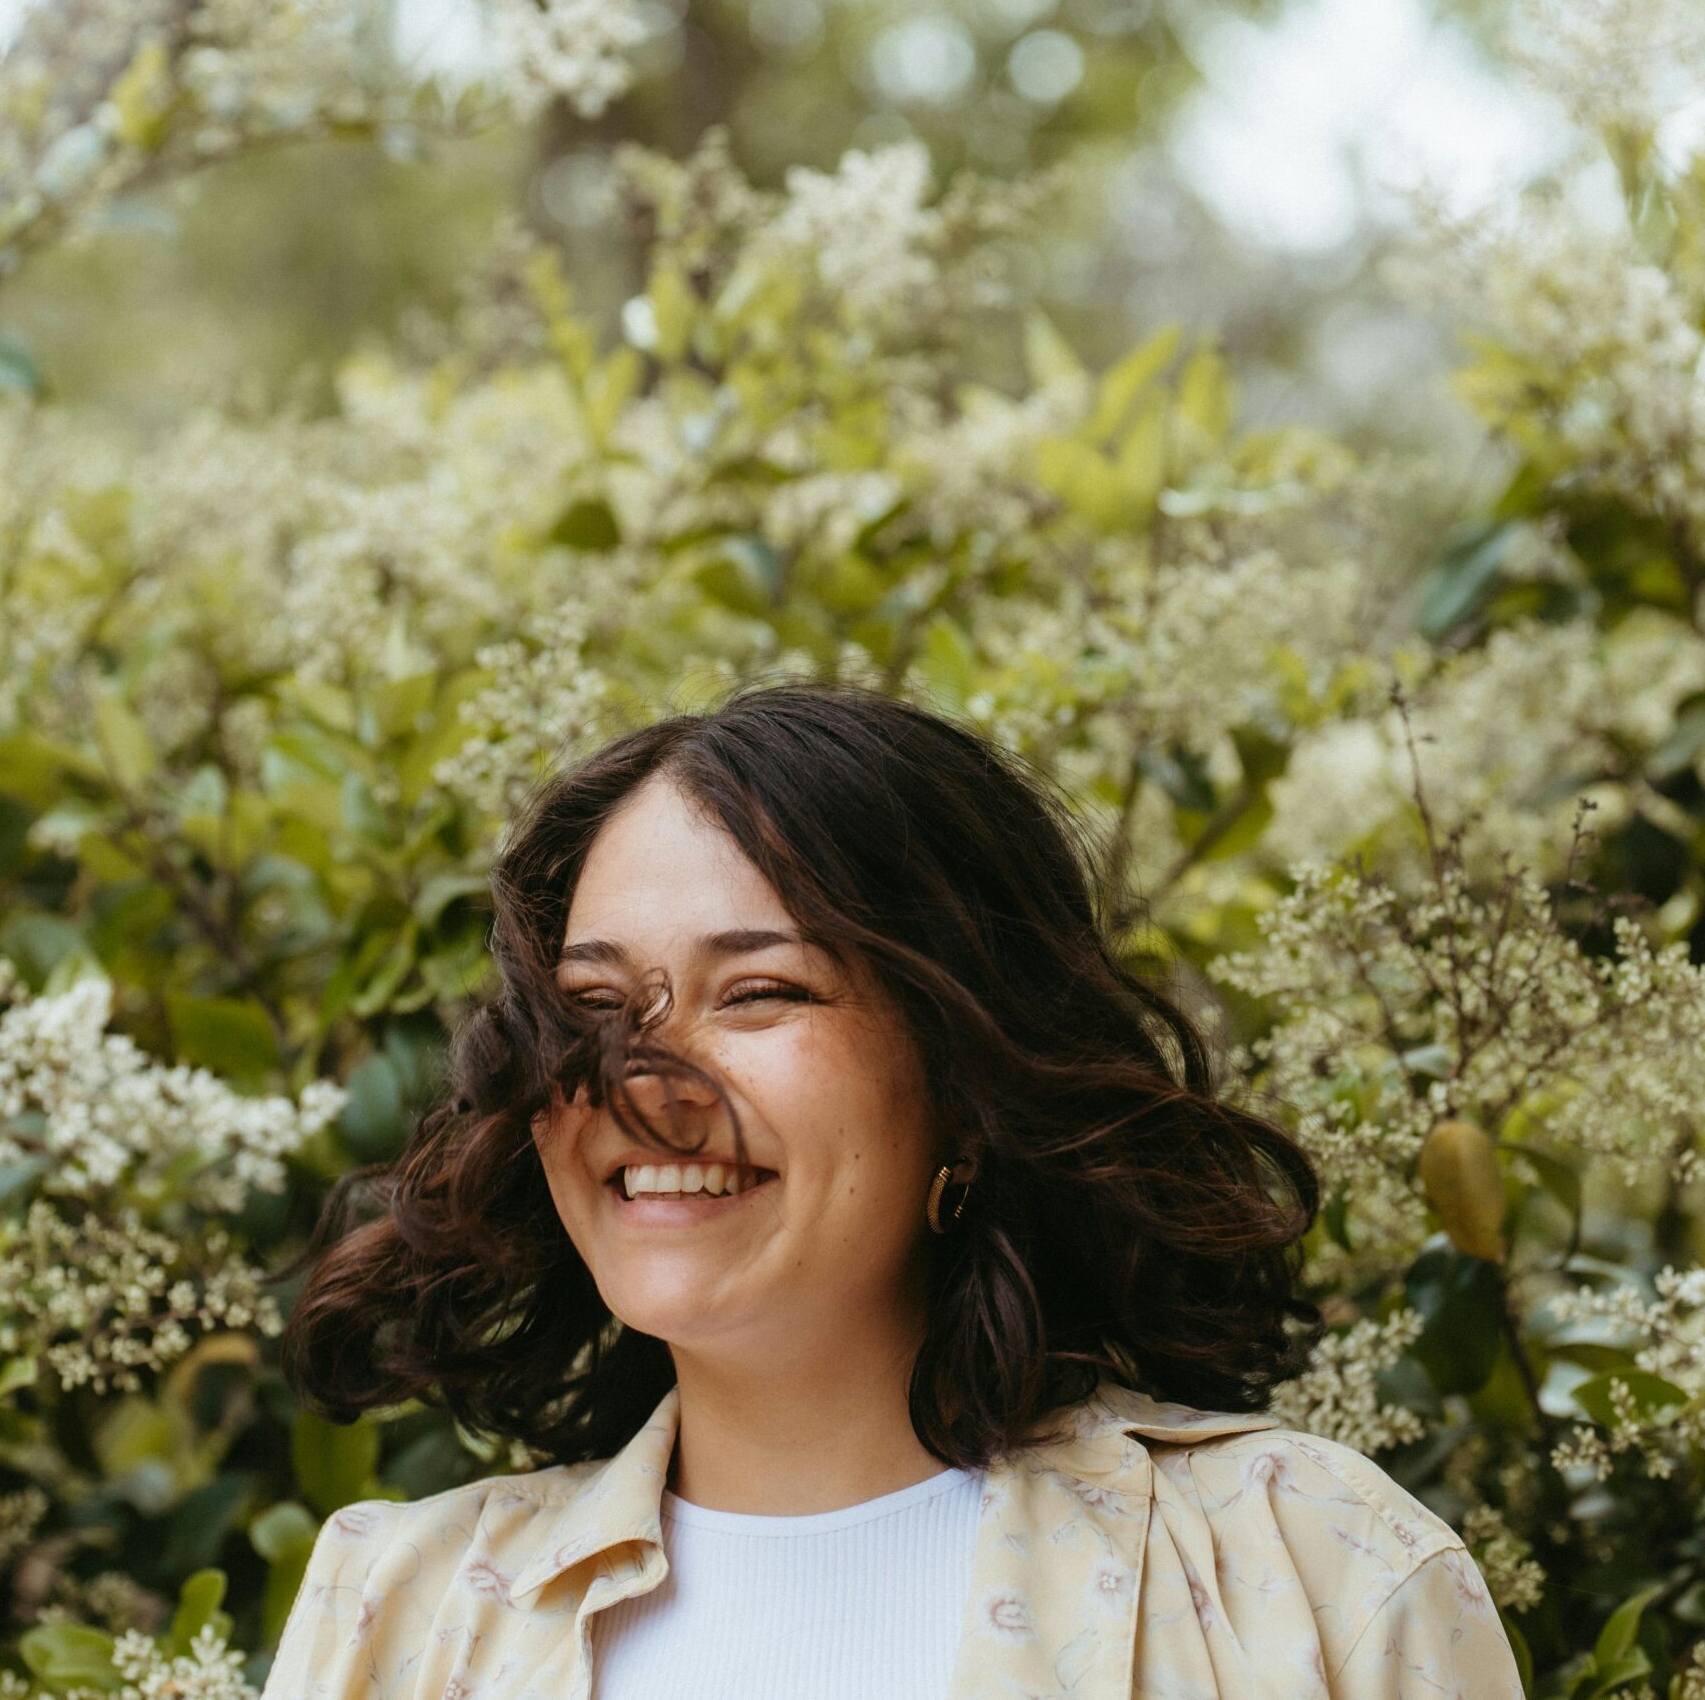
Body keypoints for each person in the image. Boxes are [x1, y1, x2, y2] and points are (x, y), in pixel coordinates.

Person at [264, 679, 1523, 1699]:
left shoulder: (1313, 1569)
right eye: (592, 1007)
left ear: (967, 1080)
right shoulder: (398, 1611)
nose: (645, 1087)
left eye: (759, 992)